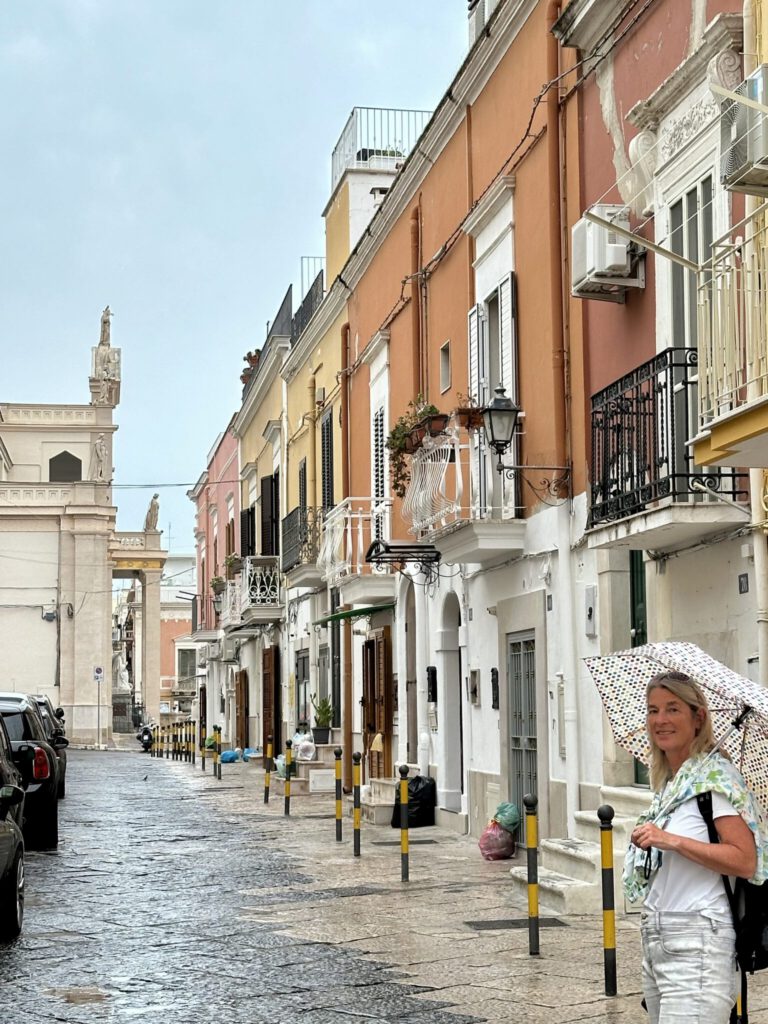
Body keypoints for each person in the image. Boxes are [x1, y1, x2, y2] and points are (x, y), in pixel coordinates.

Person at [624, 671, 767, 1023]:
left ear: (697, 716)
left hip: (698, 940)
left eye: (673, 709)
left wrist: (670, 840)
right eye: (653, 710)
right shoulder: (675, 785)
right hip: (657, 939)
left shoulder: (715, 781)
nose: (660, 720)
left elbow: (746, 860)